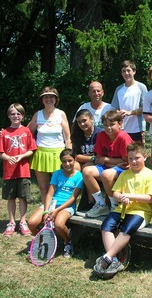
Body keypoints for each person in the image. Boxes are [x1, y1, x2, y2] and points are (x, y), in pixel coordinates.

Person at [93, 142, 152, 277]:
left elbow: (150, 199)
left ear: (145, 157)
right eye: (130, 159)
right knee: (106, 226)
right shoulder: (124, 174)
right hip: (121, 210)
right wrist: (121, 198)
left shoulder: (151, 175)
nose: (133, 161)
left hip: (140, 212)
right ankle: (115, 260)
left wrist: (129, 196)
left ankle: (107, 257)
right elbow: (115, 193)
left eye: (137, 158)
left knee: (126, 229)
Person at [28, 149, 84, 258]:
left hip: (67, 206)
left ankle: (68, 242)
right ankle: (43, 241)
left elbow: (73, 198)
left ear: (75, 160)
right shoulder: (57, 173)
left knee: (59, 224)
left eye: (70, 161)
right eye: (64, 161)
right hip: (52, 204)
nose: (67, 164)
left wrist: (56, 211)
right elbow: (49, 194)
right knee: (31, 223)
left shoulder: (79, 176)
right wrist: (46, 210)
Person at [82, 110, 133, 218]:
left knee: (106, 174)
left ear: (120, 124)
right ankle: (101, 204)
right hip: (110, 166)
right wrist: (110, 161)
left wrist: (106, 160)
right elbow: (99, 158)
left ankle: (114, 205)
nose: (108, 128)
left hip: (123, 170)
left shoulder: (123, 137)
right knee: (87, 171)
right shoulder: (101, 135)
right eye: (105, 125)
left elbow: (126, 162)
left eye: (112, 124)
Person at [28, 86, 72, 203]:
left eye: (51, 97)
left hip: (58, 154)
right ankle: (46, 214)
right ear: (42, 100)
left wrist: (69, 155)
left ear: (56, 99)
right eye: (46, 97)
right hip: (41, 154)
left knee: (59, 186)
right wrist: (9, 133)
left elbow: (67, 138)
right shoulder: (37, 115)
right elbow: (26, 132)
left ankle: (58, 210)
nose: (49, 99)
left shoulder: (61, 114)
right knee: (44, 188)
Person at [0, 103, 37, 237]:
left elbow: (31, 150)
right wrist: (7, 157)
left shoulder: (26, 131)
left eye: (18, 113)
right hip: (9, 172)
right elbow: (1, 152)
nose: (15, 116)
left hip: (23, 170)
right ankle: (11, 222)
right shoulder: (4, 132)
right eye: (12, 114)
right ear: (9, 116)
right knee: (10, 198)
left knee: (23, 197)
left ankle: (22, 222)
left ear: (22, 116)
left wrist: (21, 156)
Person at [71, 109, 103, 213]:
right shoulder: (77, 134)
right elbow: (75, 156)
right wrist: (91, 158)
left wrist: (90, 159)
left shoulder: (99, 134)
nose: (82, 124)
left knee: (86, 168)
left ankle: (91, 202)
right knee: (73, 167)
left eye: (84, 120)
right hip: (86, 161)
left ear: (92, 119)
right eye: (79, 122)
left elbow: (99, 156)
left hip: (96, 164)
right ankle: (70, 200)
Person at [111, 60, 147, 143]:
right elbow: (114, 108)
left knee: (138, 153)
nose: (126, 73)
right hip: (121, 128)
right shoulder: (119, 89)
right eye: (124, 71)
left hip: (137, 128)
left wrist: (130, 112)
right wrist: (118, 113)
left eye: (128, 70)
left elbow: (145, 108)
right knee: (124, 154)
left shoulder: (141, 87)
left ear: (134, 71)